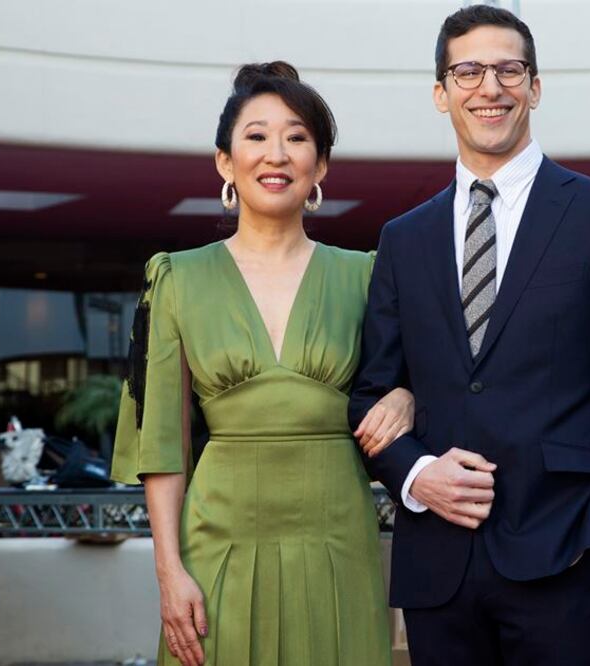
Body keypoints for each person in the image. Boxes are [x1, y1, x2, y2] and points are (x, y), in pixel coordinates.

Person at [349, 5, 590, 665]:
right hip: (438, 566)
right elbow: (369, 396)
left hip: (566, 555)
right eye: (467, 71)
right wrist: (415, 473)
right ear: (441, 93)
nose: (489, 88)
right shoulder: (403, 239)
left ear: (535, 85)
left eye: (508, 70)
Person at [112, 61, 408, 666]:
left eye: (297, 138)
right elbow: (162, 443)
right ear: (225, 161)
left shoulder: (369, 274)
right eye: (256, 136)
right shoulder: (176, 277)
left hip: (337, 539)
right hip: (216, 541)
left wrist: (407, 396)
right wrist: (169, 573)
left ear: (320, 166)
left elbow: (433, 375)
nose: (277, 154)